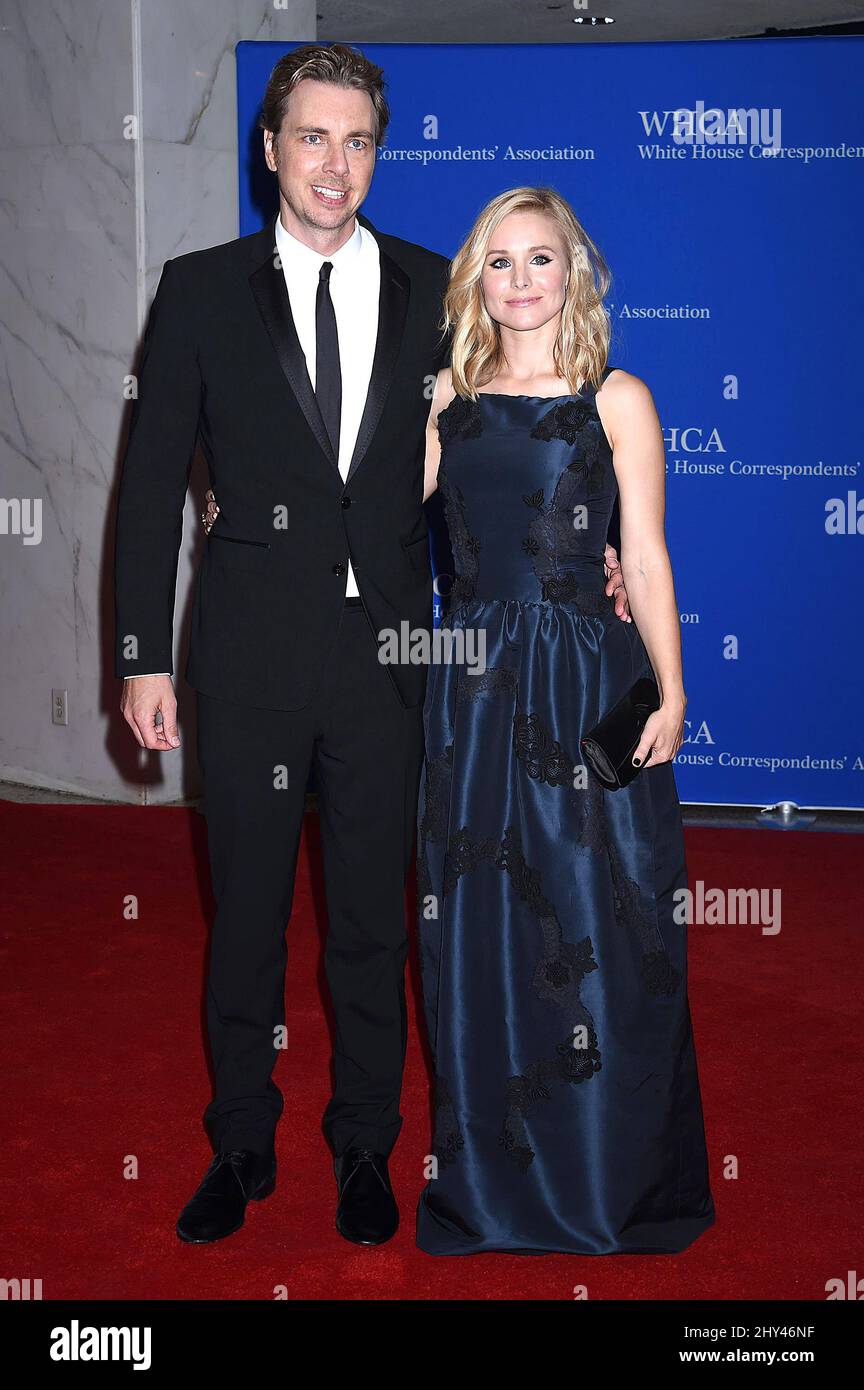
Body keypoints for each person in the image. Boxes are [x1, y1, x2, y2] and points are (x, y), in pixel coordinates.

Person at [116, 42, 631, 1249]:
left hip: (395, 656)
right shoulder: (197, 289)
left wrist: (589, 550)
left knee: (373, 922)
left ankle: (365, 1147)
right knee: (243, 914)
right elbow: (149, 490)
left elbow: (521, 428)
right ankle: (241, 1140)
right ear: (271, 147)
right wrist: (142, 656)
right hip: (245, 651)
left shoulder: (429, 292)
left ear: (377, 152)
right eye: (312, 137)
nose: (334, 164)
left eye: (357, 141)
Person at [414, 186, 715, 1255]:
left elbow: (645, 554)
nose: (522, 280)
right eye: (500, 262)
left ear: (573, 272)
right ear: (475, 280)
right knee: (484, 927)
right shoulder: (444, 395)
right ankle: (494, 1188)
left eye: (542, 259)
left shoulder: (617, 396)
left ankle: (608, 1177)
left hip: (590, 679)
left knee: (603, 923)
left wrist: (673, 691)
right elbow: (384, 532)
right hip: (476, 690)